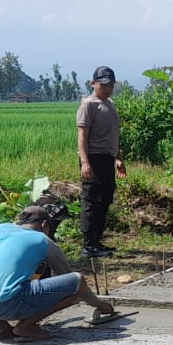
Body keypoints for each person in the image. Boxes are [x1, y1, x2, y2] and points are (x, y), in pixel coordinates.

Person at [0, 204, 117, 341]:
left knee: (4, 284)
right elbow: (72, 281)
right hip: (8, 303)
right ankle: (25, 326)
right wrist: (99, 304)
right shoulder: (42, 239)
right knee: (78, 281)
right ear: (45, 225)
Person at [77, 66, 126, 258]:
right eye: (103, 85)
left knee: (105, 199)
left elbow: (112, 136)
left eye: (110, 85)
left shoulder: (110, 104)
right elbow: (82, 135)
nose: (107, 89)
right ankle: (88, 245)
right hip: (93, 158)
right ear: (93, 83)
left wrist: (118, 158)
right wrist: (85, 162)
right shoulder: (88, 104)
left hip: (107, 158)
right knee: (92, 200)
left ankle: (97, 241)